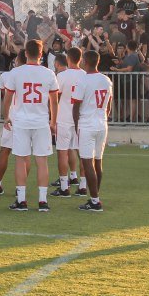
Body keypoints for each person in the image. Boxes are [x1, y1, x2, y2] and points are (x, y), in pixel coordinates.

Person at [1, 40, 59, 212]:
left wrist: (6, 117)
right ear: (41, 54)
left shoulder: (16, 73)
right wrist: (53, 121)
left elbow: (8, 97)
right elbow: (54, 101)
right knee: (42, 161)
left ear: (26, 53)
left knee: (20, 160)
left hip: (21, 121)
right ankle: (42, 201)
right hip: (41, 121)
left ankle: (22, 200)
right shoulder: (49, 74)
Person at [72, 49, 113, 212]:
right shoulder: (106, 80)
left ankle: (95, 201)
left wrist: (77, 126)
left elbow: (76, 106)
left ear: (86, 62)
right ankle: (95, 196)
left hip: (87, 123)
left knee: (87, 162)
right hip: (101, 122)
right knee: (97, 161)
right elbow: (109, 105)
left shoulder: (83, 80)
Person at [52, 47, 87, 198]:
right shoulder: (86, 76)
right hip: (81, 119)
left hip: (64, 118)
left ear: (68, 59)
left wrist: (51, 118)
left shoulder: (62, 76)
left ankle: (64, 187)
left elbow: (55, 98)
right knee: (82, 153)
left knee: (62, 152)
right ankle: (83, 186)